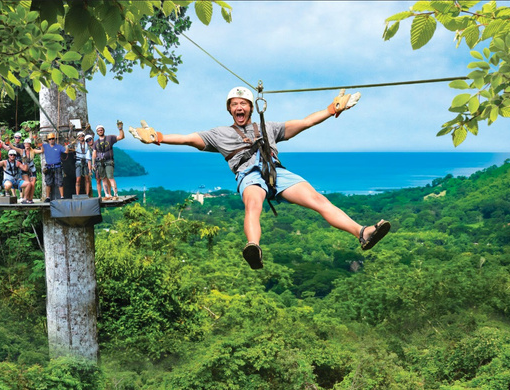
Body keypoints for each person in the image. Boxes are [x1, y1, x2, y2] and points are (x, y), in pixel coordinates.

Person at [129, 87, 391, 269]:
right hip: (249, 174)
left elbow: (306, 122)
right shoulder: (219, 134)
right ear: (230, 110)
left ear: (251, 108)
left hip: (276, 172)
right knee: (253, 205)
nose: (239, 107)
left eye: (243, 104)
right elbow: (188, 139)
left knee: (318, 200)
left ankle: (363, 233)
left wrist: (331, 108)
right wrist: (159, 137)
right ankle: (253, 246)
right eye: (234, 104)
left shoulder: (269, 127)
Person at [92, 122, 124, 200]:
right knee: (103, 178)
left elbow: (121, 137)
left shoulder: (110, 138)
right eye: (98, 130)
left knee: (110, 177)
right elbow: (94, 154)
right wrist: (93, 164)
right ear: (97, 132)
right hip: (100, 162)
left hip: (109, 161)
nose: (100, 131)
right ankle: (107, 195)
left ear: (103, 130)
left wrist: (120, 129)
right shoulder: (95, 143)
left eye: (101, 130)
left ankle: (115, 194)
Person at [38, 132, 67, 202]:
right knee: (48, 182)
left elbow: (66, 151)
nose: (51, 140)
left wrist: (67, 145)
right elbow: (38, 145)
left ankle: (62, 196)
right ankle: (48, 197)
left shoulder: (59, 147)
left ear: (55, 139)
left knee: (60, 181)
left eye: (52, 139)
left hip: (57, 166)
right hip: (49, 167)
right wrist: (36, 138)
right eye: (50, 139)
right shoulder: (45, 146)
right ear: (48, 140)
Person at [8, 138, 39, 202]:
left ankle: (30, 198)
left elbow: (41, 151)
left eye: (28, 144)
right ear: (24, 144)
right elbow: (12, 147)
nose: (27, 145)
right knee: (27, 184)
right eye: (26, 144)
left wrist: (40, 144)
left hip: (32, 169)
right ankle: (26, 198)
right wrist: (8, 141)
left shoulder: (33, 151)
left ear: (30, 144)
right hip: (25, 169)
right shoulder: (22, 151)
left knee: (32, 184)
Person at [70, 131, 92, 195]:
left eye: (82, 136)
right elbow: (69, 143)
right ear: (78, 138)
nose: (81, 137)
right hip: (78, 162)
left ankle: (87, 194)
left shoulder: (87, 144)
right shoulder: (76, 144)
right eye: (79, 136)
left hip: (86, 162)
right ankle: (77, 194)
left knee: (87, 178)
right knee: (78, 179)